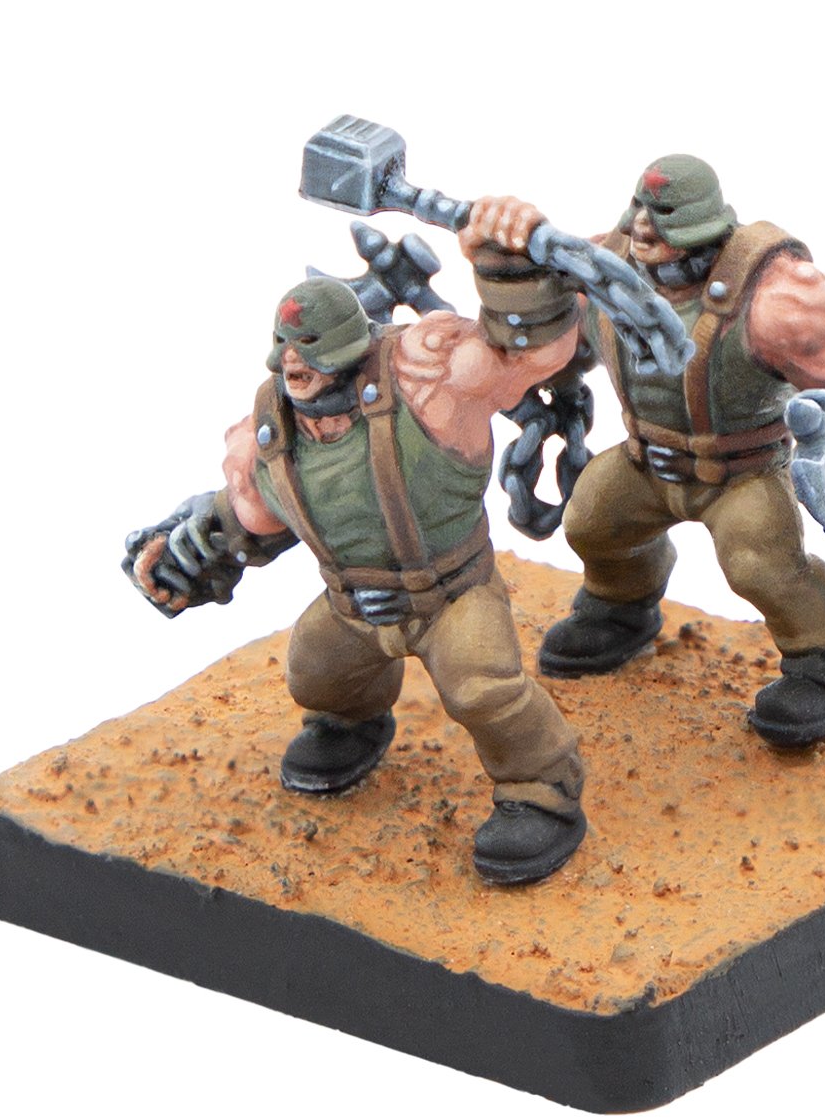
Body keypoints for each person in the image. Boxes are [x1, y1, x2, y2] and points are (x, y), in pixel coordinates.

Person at [124, 250, 588, 884]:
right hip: (354, 603)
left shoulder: (426, 386)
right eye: (287, 350)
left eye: (309, 351)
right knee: (314, 671)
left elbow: (524, 352)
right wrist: (195, 548)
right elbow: (256, 518)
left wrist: (507, 267)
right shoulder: (273, 430)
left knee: (483, 687)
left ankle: (542, 790)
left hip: (453, 593)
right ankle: (354, 724)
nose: (295, 366)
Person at [458, 157, 825, 746]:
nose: (644, 231)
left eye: (664, 219)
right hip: (646, 459)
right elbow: (538, 346)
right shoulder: (605, 272)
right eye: (641, 214)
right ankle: (621, 608)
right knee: (594, 520)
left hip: (743, 471)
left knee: (759, 562)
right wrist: (502, 263)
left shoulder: (774, 296)